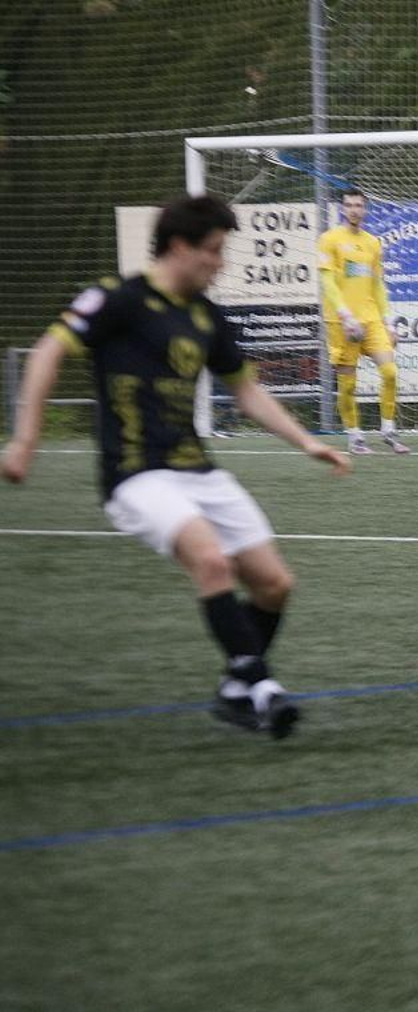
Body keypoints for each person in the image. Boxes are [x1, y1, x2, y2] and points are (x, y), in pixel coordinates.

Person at [2, 194, 351, 738]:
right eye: (213, 251)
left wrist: (307, 442)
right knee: (210, 561)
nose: (221, 263)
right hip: (135, 474)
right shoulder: (117, 298)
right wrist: (27, 440)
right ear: (181, 247)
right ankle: (260, 685)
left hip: (199, 471)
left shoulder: (206, 315)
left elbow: (248, 393)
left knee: (274, 585)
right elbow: (48, 352)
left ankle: (235, 690)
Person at [317, 188, 409, 455]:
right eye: (349, 205)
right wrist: (346, 316)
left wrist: (389, 322)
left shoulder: (373, 243)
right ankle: (355, 437)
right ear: (342, 209)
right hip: (341, 323)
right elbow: (327, 282)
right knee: (349, 384)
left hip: (371, 322)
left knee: (390, 372)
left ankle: (389, 431)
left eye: (359, 205)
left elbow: (378, 284)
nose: (354, 209)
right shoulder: (329, 239)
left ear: (365, 209)